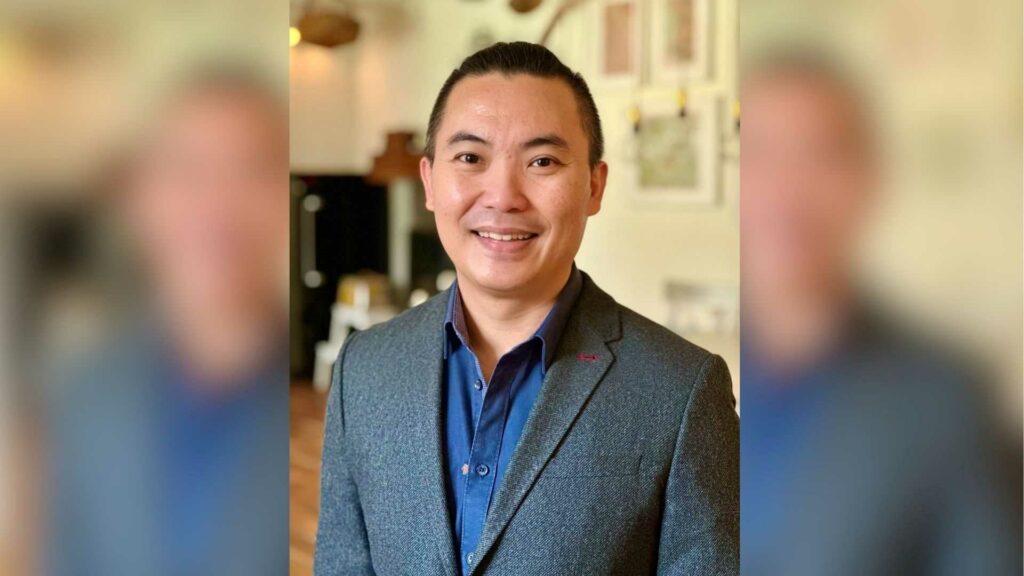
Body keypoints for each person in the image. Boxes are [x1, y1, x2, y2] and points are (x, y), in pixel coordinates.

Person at [315, 42, 739, 575]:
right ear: (429, 182)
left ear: (593, 185)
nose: (502, 195)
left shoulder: (681, 391)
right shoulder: (365, 368)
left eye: (542, 161)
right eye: (470, 158)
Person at [740, 51, 1021, 575]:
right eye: (760, 153)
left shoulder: (944, 399)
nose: (787, 190)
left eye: (821, 154)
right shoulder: (677, 380)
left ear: (870, 180)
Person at [46, 69, 289, 576]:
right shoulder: (86, 389)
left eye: (249, 168)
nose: (216, 205)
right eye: (186, 169)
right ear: (139, 199)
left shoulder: (337, 404)